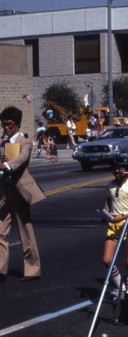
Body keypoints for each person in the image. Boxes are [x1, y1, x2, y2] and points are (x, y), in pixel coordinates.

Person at [0, 106, 46, 283]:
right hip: (5, 192)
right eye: (4, 125)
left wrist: (8, 165)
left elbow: (22, 158)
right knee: (0, 231)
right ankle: (0, 269)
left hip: (20, 191)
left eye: (9, 124)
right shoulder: (3, 143)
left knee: (25, 230)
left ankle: (32, 270)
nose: (6, 128)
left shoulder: (24, 141)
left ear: (17, 124)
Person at [102, 162, 128, 297]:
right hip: (113, 225)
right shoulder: (111, 185)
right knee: (107, 260)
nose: (117, 171)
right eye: (115, 169)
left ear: (126, 171)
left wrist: (121, 217)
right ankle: (121, 287)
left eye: (120, 169)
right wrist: (106, 213)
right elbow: (109, 202)